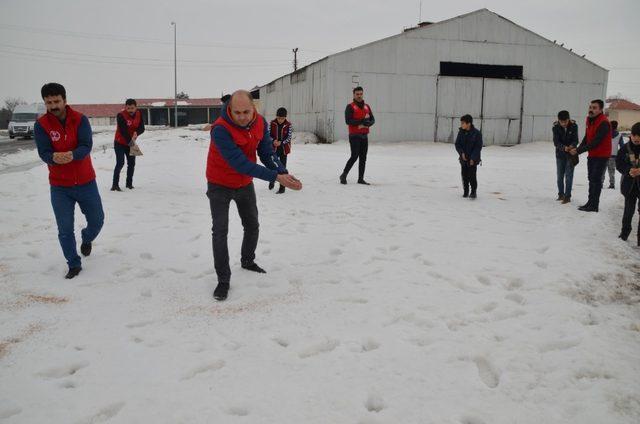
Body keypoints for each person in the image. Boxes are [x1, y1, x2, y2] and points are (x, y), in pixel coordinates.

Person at [206, 90, 302, 301]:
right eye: (237, 112)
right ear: (229, 109)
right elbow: (240, 164)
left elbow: (266, 152)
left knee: (252, 224)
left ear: (254, 108)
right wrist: (275, 177)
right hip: (219, 184)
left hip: (244, 184)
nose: (241, 116)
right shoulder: (220, 129)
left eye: (246, 112)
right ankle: (223, 279)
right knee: (220, 231)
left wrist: (283, 173)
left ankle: (248, 260)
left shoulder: (260, 123)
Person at [33, 83, 104, 279]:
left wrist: (72, 155)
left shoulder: (80, 120)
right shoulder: (41, 125)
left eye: (57, 101)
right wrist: (52, 157)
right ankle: (73, 263)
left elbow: (86, 145)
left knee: (98, 220)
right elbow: (43, 151)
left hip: (86, 181)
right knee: (64, 229)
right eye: (49, 102)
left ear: (65, 100)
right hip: (59, 187)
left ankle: (87, 237)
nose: (53, 105)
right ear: (45, 103)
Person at [569, 100, 612, 212]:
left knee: (596, 180)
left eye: (594, 107)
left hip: (602, 155)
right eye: (590, 107)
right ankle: (590, 202)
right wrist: (578, 148)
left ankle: (594, 205)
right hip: (592, 155)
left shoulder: (604, 123)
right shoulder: (589, 120)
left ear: (600, 110)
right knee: (591, 178)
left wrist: (578, 151)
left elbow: (595, 142)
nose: (591, 109)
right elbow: (587, 137)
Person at [340, 86, 375, 185]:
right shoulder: (350, 107)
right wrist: (362, 121)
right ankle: (344, 175)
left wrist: (369, 123)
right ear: (354, 95)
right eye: (357, 94)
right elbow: (348, 121)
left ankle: (360, 178)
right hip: (354, 135)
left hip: (364, 135)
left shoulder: (367, 106)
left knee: (363, 157)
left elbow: (373, 119)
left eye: (361, 94)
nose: (359, 96)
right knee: (354, 156)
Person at [112, 98, 145, 191]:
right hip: (120, 142)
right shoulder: (120, 115)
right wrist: (131, 143)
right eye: (128, 108)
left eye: (132, 108)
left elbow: (142, 128)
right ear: (125, 107)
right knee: (120, 162)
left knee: (131, 163)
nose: (130, 110)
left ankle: (129, 184)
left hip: (131, 142)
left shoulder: (139, 114)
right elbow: (123, 131)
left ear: (136, 107)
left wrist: (137, 133)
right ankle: (115, 185)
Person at [616, 122, 640, 244]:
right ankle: (624, 233)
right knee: (628, 211)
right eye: (634, 135)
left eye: (639, 136)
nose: (636, 138)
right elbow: (619, 164)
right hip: (629, 186)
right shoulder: (625, 148)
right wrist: (628, 171)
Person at [552, 110, 579, 204]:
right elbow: (556, 142)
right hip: (560, 155)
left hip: (571, 155)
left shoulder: (574, 126)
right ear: (558, 120)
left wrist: (572, 146)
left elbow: (576, 140)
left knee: (569, 176)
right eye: (561, 121)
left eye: (565, 121)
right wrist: (564, 148)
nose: (563, 123)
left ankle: (567, 196)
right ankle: (561, 194)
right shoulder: (555, 127)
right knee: (560, 176)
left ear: (568, 119)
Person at [454, 114, 483, 199]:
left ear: (469, 123)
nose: (461, 125)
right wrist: (461, 153)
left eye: (463, 123)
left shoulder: (477, 133)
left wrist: (473, 158)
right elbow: (457, 144)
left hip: (473, 160)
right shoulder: (461, 132)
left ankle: (473, 192)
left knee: (472, 176)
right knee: (464, 175)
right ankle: (466, 191)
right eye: (461, 123)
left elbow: (478, 147)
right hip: (463, 159)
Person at [269, 107, 293, 194]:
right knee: (273, 166)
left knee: (282, 168)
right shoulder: (272, 123)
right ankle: (272, 180)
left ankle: (282, 187)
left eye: (282, 118)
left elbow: (289, 137)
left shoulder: (288, 125)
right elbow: (268, 134)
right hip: (273, 149)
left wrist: (281, 142)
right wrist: (273, 141)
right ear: (276, 116)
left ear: (285, 117)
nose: (280, 120)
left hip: (283, 149)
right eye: (279, 118)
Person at [603, 120, 624, 189]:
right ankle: (612, 184)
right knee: (611, 171)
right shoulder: (619, 135)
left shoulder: (605, 134)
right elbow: (622, 147)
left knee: (602, 170)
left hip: (604, 155)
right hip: (614, 156)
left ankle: (600, 183)